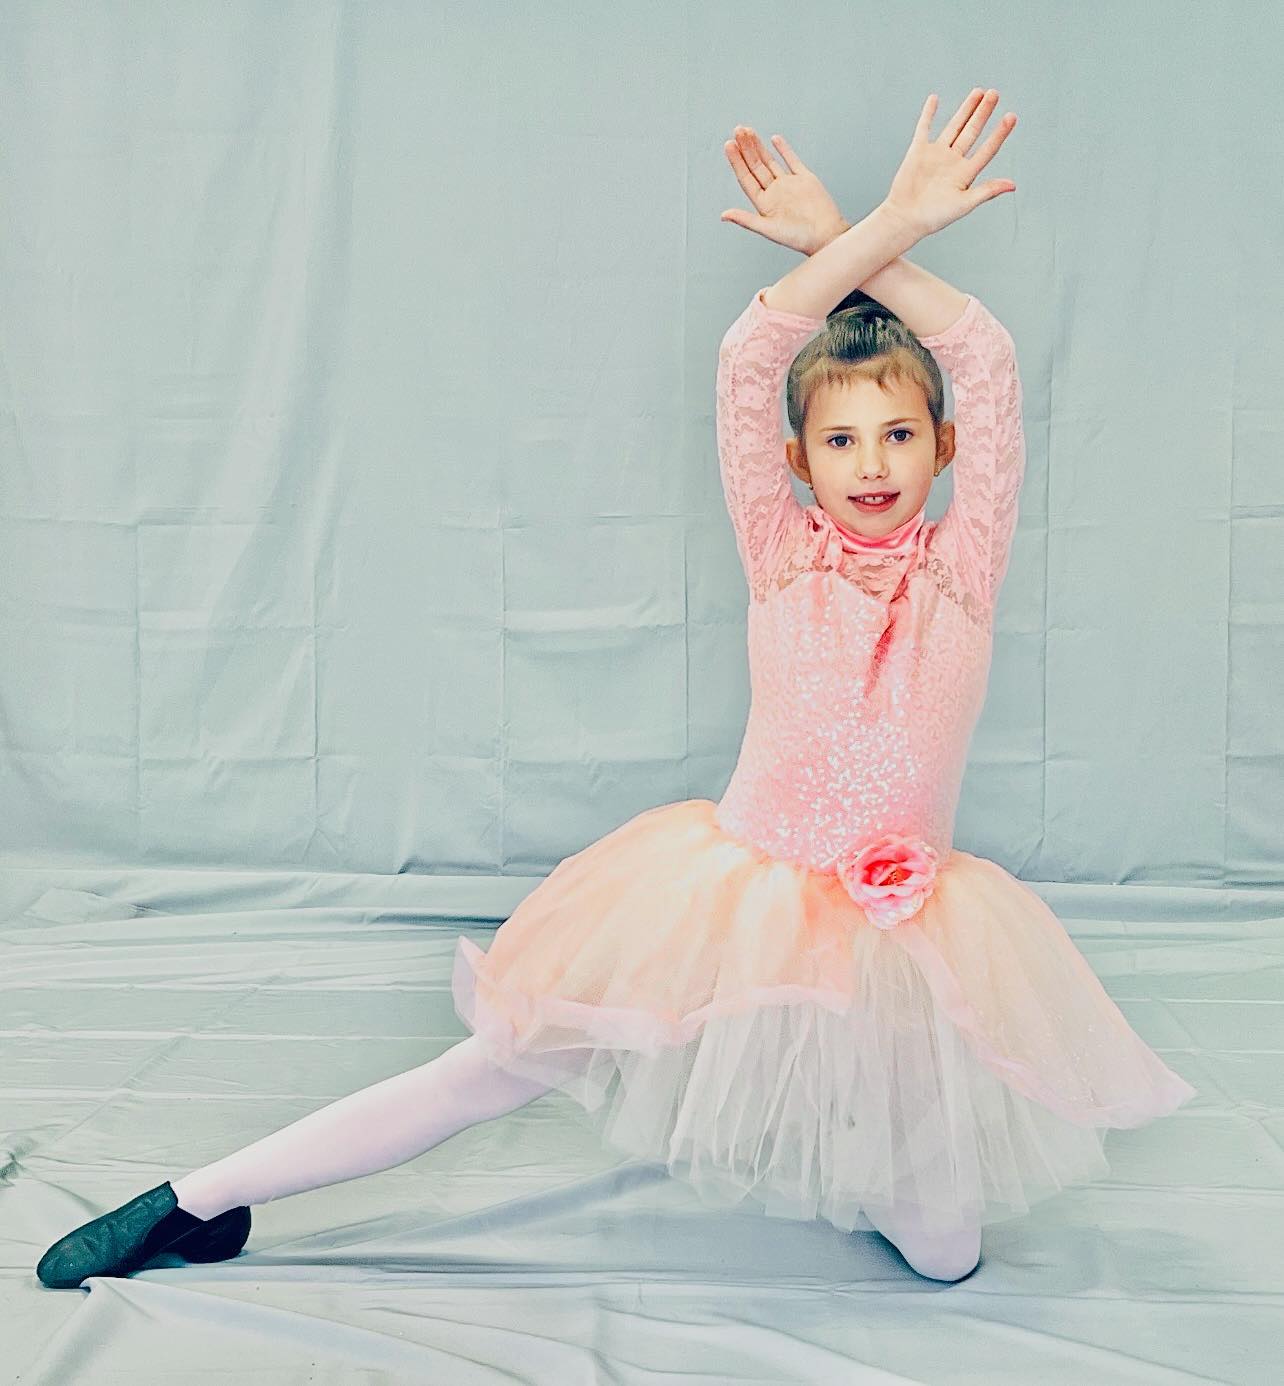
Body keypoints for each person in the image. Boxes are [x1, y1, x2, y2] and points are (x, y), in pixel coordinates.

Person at [36, 88, 1195, 1292]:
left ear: (944, 451)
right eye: (842, 441)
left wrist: (860, 242)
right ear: (797, 461)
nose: (872, 466)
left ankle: (856, 1168)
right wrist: (877, 231)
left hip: (899, 936)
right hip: (735, 899)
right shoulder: (782, 553)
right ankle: (197, 1199)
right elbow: (751, 358)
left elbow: (984, 363)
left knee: (948, 1255)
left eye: (901, 436)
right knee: (492, 1070)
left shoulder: (964, 569)